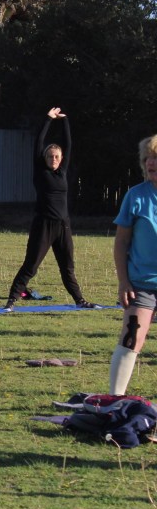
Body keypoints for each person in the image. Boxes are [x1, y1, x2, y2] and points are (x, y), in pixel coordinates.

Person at [2, 108, 98, 311]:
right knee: (31, 266)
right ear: (45, 158)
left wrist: (65, 121)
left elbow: (68, 144)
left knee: (67, 267)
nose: (53, 159)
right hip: (43, 225)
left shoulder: (62, 171)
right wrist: (48, 119)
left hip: (63, 225)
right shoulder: (40, 171)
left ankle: (80, 300)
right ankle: (11, 301)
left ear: (61, 158)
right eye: (50, 156)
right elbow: (39, 143)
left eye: (56, 156)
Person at [108, 134, 157, 395]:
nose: (151, 163)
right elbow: (121, 243)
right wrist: (123, 282)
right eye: (147, 158)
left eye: (156, 158)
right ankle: (115, 400)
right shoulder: (136, 196)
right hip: (141, 284)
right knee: (131, 337)